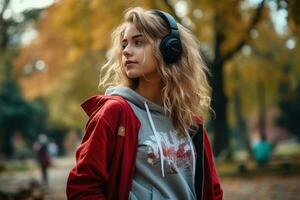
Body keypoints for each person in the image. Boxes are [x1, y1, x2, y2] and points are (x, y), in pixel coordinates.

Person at [66, 7, 223, 200]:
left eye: (138, 42)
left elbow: (212, 191)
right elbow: (83, 187)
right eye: (124, 44)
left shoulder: (191, 123)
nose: (126, 51)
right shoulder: (115, 112)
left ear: (169, 49)